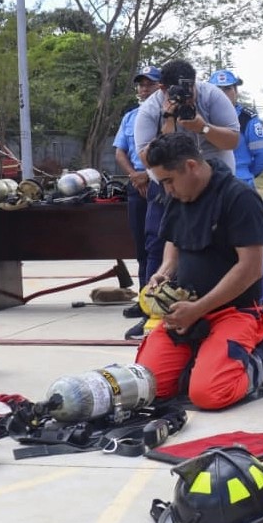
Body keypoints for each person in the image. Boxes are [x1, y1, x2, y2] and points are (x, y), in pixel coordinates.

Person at [134, 131, 263, 410]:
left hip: (233, 311)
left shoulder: (239, 198)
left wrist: (198, 309)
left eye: (168, 181)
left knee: (210, 395)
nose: (167, 190)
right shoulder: (180, 194)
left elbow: (250, 268)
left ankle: (262, 359)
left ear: (191, 166)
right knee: (148, 388)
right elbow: (173, 242)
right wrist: (164, 271)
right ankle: (203, 358)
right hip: (187, 310)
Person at [133, 59, 240, 331]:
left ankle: (224, 309)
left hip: (214, 179)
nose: (185, 96)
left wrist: (202, 127)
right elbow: (147, 158)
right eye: (177, 92)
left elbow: (233, 140)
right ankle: (154, 312)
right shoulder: (150, 110)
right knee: (159, 242)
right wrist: (168, 123)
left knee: (218, 243)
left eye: (189, 90)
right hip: (168, 182)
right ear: (162, 88)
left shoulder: (211, 96)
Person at [114, 65, 163, 340]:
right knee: (142, 245)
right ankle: (144, 300)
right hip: (137, 185)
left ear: (160, 88)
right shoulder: (130, 117)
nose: (144, 89)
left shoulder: (166, 115)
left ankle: (156, 302)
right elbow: (120, 150)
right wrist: (134, 175)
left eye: (150, 84)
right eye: (141, 85)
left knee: (158, 242)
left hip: (160, 183)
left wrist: (149, 173)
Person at [207, 69, 263, 189]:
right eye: (217, 89)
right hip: (209, 183)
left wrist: (245, 173)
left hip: (240, 183)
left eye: (227, 89)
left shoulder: (247, 119)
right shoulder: (202, 118)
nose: (223, 94)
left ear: (236, 91)